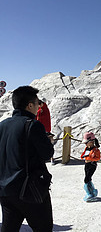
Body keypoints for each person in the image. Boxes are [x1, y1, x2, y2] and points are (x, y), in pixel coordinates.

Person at [0, 86, 54, 231]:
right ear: (30, 105)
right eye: (37, 103)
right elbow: (46, 154)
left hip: (5, 190)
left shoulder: (2, 125)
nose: (38, 107)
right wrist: (47, 141)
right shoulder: (33, 125)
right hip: (30, 190)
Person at [81, 132, 101, 202]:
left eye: (86, 142)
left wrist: (90, 159)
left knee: (86, 179)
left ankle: (90, 193)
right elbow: (83, 155)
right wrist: (83, 157)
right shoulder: (87, 148)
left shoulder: (96, 150)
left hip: (92, 165)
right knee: (88, 178)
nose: (85, 144)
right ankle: (91, 192)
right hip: (86, 165)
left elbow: (98, 158)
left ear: (91, 142)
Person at [36, 99, 55, 165]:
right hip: (39, 129)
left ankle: (51, 158)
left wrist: (38, 112)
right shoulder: (39, 109)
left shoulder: (45, 108)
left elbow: (45, 118)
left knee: (49, 144)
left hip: (45, 129)